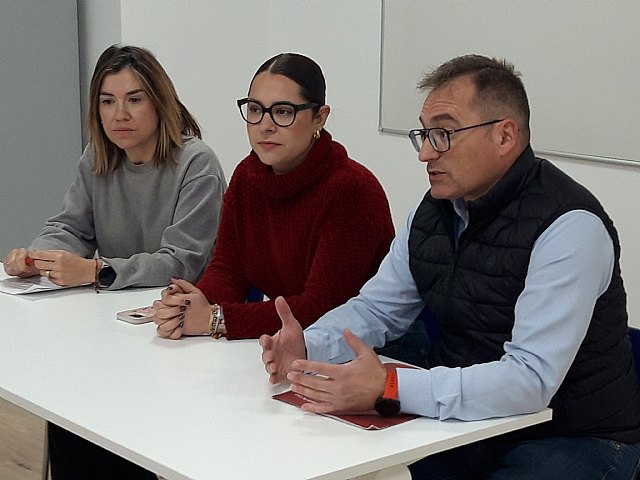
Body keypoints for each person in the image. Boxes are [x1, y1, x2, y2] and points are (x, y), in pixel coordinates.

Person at [260, 54, 640, 479]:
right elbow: (377, 309)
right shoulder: (434, 211)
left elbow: (530, 381)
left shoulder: (569, 226)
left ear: (504, 136)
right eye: (423, 134)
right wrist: (308, 346)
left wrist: (389, 386)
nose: (424, 153)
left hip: (570, 435)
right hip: (467, 424)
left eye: (442, 134)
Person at [3, 44, 226, 479]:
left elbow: (183, 263)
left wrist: (96, 270)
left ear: (160, 103)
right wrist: (36, 255)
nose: (119, 114)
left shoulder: (197, 164)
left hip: (174, 336)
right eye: (107, 102)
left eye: (134, 99)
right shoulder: (97, 157)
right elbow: (69, 225)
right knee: (72, 414)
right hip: (107, 329)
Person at [153, 52, 395, 343]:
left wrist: (216, 319)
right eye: (255, 109)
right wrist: (191, 303)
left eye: (283, 112)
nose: (265, 125)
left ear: (319, 117)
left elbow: (322, 307)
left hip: (358, 351)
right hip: (289, 346)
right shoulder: (248, 175)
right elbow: (229, 270)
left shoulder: (352, 189)